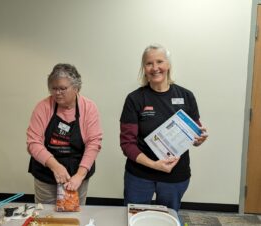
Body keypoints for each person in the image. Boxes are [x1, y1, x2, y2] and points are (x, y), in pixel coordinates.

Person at [120, 44, 208, 212]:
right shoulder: (135, 99)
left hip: (175, 175)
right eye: (149, 63)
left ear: (168, 65)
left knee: (168, 219)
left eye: (159, 61)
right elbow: (127, 144)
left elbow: (195, 132)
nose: (155, 68)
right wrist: (154, 165)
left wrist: (199, 139)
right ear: (144, 68)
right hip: (140, 175)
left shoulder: (186, 96)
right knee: (135, 218)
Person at [27, 63, 103, 205]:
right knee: (46, 214)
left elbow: (94, 143)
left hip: (77, 172)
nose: (57, 93)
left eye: (62, 88)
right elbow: (33, 143)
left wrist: (80, 175)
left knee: (73, 212)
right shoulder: (43, 107)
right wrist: (56, 167)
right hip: (46, 172)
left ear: (76, 88)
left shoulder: (89, 108)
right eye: (54, 88)